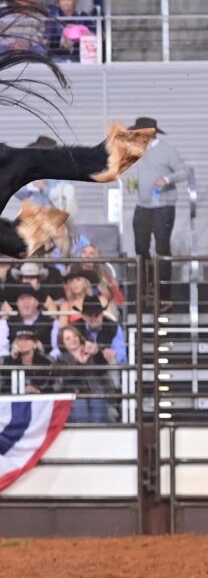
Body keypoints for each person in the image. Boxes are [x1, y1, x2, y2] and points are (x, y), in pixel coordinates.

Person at [124, 116, 188, 308]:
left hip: (163, 207)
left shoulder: (167, 150)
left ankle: (164, 294)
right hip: (143, 206)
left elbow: (184, 172)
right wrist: (133, 184)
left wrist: (167, 180)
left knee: (161, 249)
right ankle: (146, 289)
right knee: (140, 249)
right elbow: (141, 174)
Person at [55, 323, 113, 423]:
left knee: (98, 410)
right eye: (68, 338)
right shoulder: (60, 360)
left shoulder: (90, 353)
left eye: (75, 336)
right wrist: (79, 362)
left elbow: (103, 369)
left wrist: (97, 353)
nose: (73, 339)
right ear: (62, 343)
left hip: (95, 393)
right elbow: (68, 378)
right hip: (74, 396)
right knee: (80, 411)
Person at [5, 283, 58, 352]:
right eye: (22, 299)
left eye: (29, 298)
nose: (26, 302)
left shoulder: (52, 322)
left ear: (37, 302)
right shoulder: (6, 323)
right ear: (17, 303)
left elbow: (56, 349)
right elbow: (1, 351)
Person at [74, 294, 125, 364]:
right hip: (81, 367)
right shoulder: (75, 328)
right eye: (89, 315)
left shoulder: (113, 327)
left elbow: (121, 353)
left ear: (102, 314)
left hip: (106, 367)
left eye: (96, 314)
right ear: (83, 316)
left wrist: (114, 354)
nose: (93, 318)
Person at [3, 327, 53, 393]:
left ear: (35, 344)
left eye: (27, 339)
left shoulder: (45, 362)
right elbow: (4, 385)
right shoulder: (8, 361)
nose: (23, 342)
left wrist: (37, 390)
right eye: (20, 339)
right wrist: (13, 358)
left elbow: (49, 387)